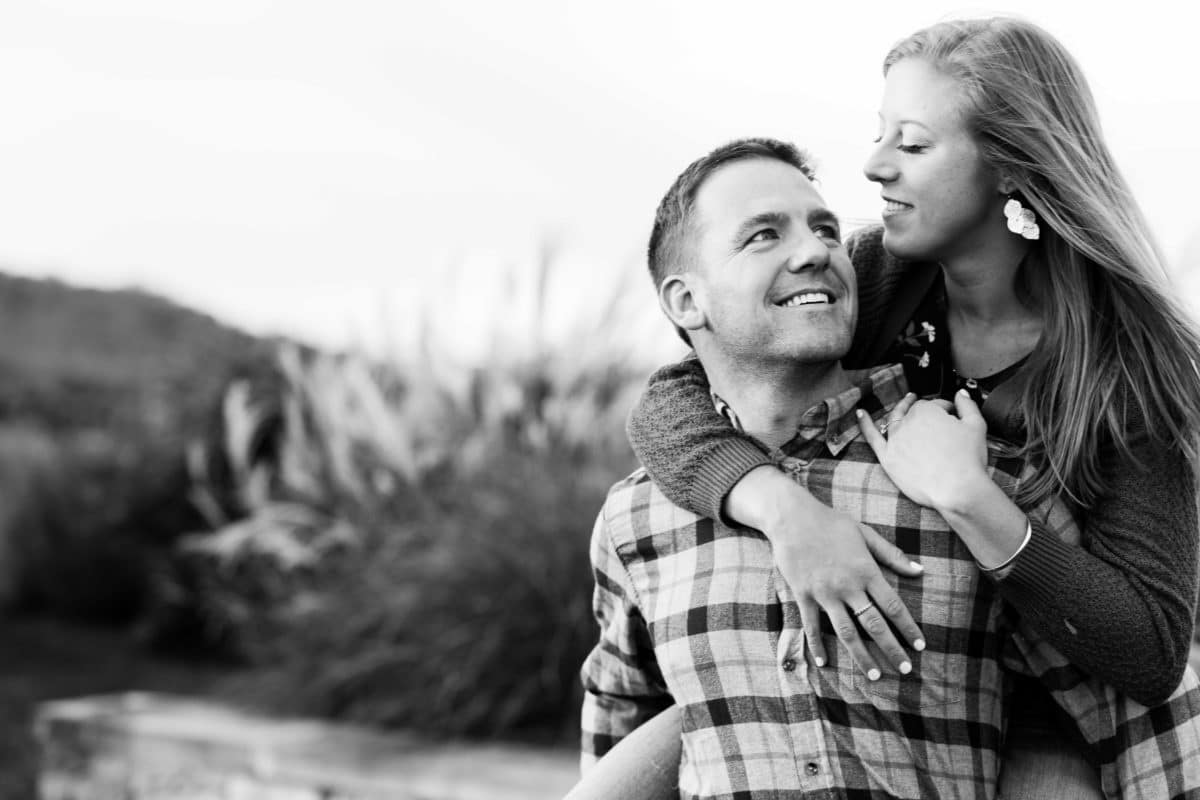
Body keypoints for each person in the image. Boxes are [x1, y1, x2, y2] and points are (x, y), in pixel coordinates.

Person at [608, 15, 1200, 798]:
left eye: (913, 145)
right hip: (885, 666)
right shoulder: (884, 276)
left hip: (1063, 701)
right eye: (880, 133)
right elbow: (674, 398)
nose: (875, 166)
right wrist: (786, 511)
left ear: (1012, 164)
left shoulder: (1129, 362)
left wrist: (967, 495)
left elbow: (1149, 651)